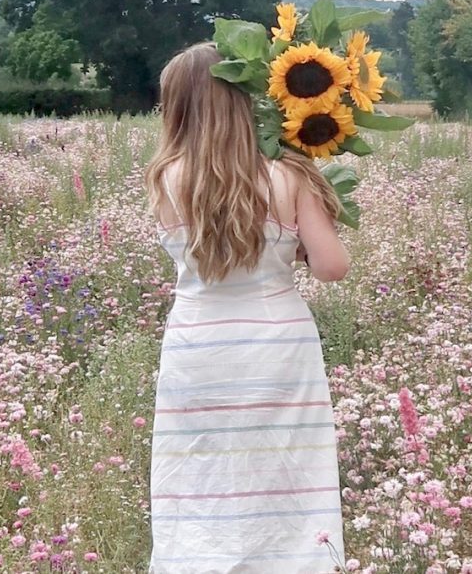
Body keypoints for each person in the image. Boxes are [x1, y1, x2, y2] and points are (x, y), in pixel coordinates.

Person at [144, 42, 350, 573]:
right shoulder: (289, 177)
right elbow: (332, 267)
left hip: (199, 345)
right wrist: (301, 235)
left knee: (200, 471)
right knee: (287, 470)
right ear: (247, 103)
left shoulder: (165, 179)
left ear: (178, 109)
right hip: (277, 344)